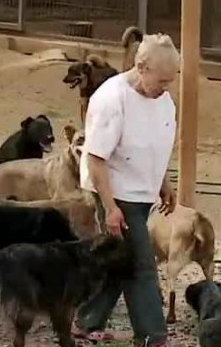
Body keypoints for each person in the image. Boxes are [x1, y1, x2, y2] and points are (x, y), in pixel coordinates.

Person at [72, 33, 180, 347]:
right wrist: (110, 208)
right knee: (141, 262)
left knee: (119, 259)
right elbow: (95, 158)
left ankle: (85, 320)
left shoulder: (162, 99)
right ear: (141, 67)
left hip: (142, 188)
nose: (165, 88)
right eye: (161, 81)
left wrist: (163, 181)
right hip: (115, 189)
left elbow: (154, 143)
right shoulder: (111, 99)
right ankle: (152, 335)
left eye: (170, 82)